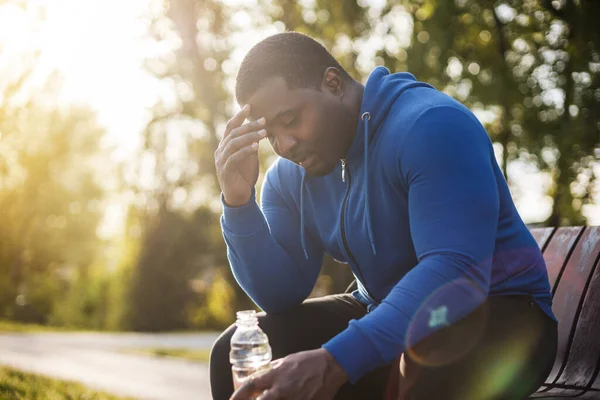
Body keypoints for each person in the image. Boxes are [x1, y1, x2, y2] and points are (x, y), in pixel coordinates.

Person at [210, 32, 558, 400]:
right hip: (386, 310)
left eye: (290, 119)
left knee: (424, 358)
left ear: (332, 83)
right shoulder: (289, 178)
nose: (284, 146)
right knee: (233, 351)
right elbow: (278, 294)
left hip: (503, 313)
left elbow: (456, 271)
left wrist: (334, 361)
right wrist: (238, 202)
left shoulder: (431, 125)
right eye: (271, 134)